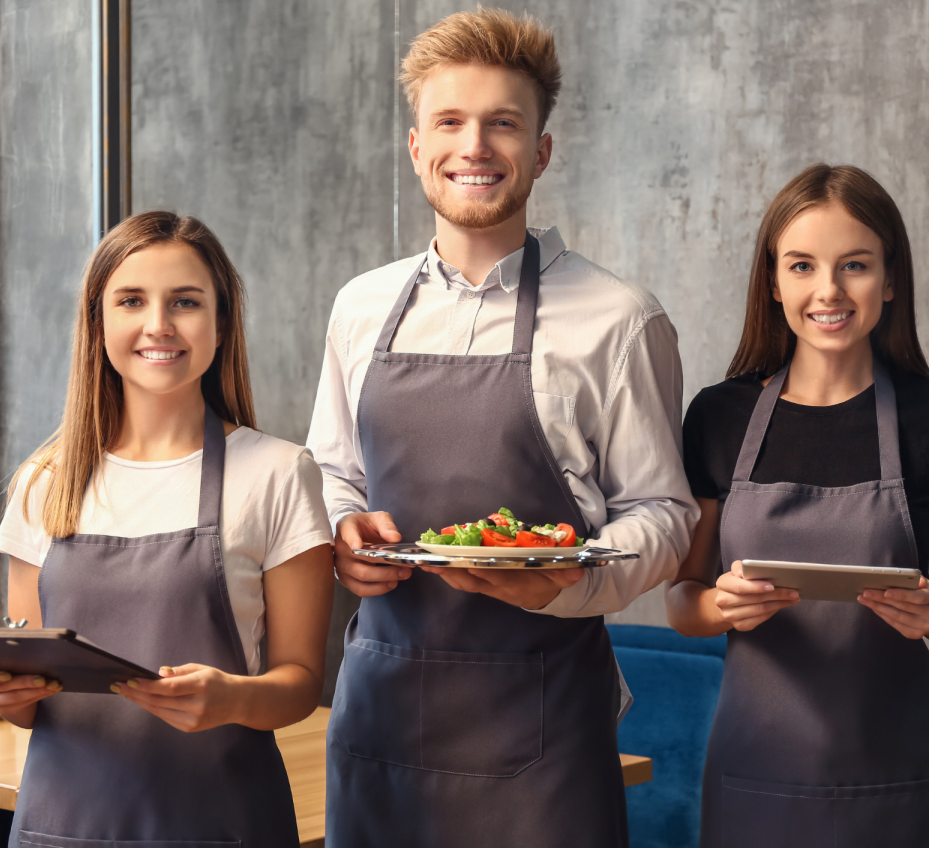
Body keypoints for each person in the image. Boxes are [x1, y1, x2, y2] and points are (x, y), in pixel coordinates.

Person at [306, 9, 697, 847]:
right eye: (449, 122)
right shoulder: (359, 307)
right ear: (417, 147)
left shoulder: (621, 319)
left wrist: (566, 585)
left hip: (544, 727)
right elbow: (332, 473)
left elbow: (666, 517)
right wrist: (342, 525)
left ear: (541, 151)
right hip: (380, 712)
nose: (473, 146)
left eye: (502, 124)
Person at [0, 212, 335, 848]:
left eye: (185, 302)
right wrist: (2, 693)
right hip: (62, 829)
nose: (158, 325)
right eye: (131, 300)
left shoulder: (278, 472)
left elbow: (300, 684)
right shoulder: (43, 482)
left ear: (221, 325)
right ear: (98, 322)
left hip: (223, 826)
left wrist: (234, 701)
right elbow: (31, 700)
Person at [666, 164, 929, 847]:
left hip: (903, 782)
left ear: (891, 278)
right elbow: (683, 599)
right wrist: (719, 605)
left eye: (854, 265)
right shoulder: (718, 416)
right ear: (773, 281)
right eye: (801, 266)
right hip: (758, 776)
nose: (828, 291)